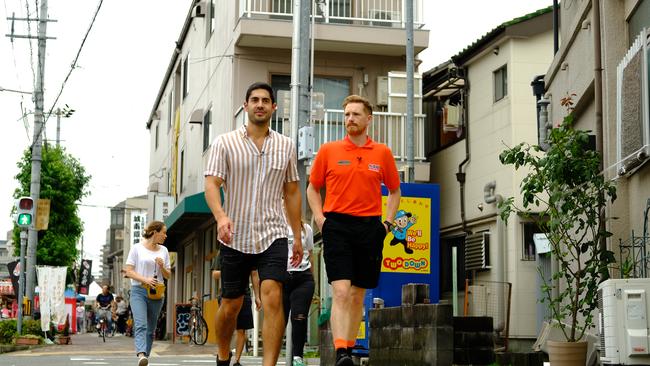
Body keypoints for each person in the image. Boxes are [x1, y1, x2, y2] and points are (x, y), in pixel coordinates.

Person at [204, 81, 303, 366]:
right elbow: (212, 184)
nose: (260, 104)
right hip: (235, 236)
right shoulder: (225, 142)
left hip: (273, 233)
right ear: (246, 106)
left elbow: (293, 192)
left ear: (274, 107)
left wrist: (296, 236)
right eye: (254, 100)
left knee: (272, 296)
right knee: (231, 305)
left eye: (265, 100)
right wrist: (221, 217)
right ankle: (223, 355)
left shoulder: (286, 146)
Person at [306, 94, 401, 366]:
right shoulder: (329, 150)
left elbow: (395, 191)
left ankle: (347, 348)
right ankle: (340, 352)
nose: (350, 119)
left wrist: (387, 224)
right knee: (341, 291)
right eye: (347, 114)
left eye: (356, 114)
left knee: (359, 293)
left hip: (370, 227)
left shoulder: (381, 153)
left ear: (368, 119)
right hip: (336, 225)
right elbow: (313, 188)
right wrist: (320, 219)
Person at [123, 220, 171, 366]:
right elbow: (128, 271)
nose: (165, 236)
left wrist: (162, 266)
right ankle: (141, 354)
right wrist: (146, 279)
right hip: (138, 291)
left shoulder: (164, 251)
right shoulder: (137, 248)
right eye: (163, 232)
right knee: (141, 324)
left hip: (157, 293)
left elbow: (168, 275)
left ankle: (145, 358)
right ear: (155, 233)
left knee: (150, 329)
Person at [211, 255, 255, 366]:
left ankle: (237, 361)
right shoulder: (222, 252)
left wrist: (258, 296)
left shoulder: (248, 252)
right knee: (225, 328)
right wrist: (229, 271)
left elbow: (254, 273)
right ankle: (225, 352)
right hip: (226, 295)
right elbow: (214, 274)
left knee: (241, 329)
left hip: (245, 293)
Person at [282, 221, 315, 366]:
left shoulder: (305, 228)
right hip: (281, 278)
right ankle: (272, 357)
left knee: (299, 318)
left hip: (303, 277)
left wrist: (312, 279)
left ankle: (298, 357)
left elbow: (311, 254)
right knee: (278, 320)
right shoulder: (276, 225)